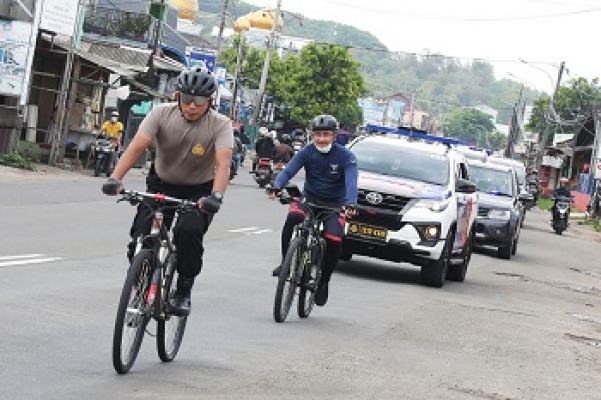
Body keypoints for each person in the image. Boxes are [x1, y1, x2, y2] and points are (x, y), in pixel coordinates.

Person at [101, 66, 234, 316]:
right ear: (177, 97)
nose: (193, 106)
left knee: (188, 232)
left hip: (200, 191)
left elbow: (223, 163)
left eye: (200, 101)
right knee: (141, 238)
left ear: (210, 102)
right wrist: (115, 178)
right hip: (161, 183)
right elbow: (136, 147)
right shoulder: (160, 114)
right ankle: (141, 289)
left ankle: (183, 289)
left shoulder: (220, 124)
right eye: (187, 99)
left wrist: (216, 196)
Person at [268, 114, 358, 307]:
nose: (322, 139)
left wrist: (350, 203)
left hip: (334, 205)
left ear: (334, 136)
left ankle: (324, 281)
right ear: (312, 135)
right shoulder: (306, 152)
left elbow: (351, 182)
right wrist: (277, 185)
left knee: (334, 239)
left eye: (326, 134)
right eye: (318, 134)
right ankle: (285, 264)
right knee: (292, 217)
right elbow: (289, 170)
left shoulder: (347, 157)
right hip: (309, 199)